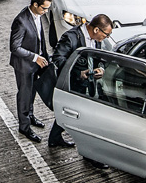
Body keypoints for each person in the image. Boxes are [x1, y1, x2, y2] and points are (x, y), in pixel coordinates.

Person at [46, 14, 113, 151]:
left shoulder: (96, 39)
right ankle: (89, 152)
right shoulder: (70, 37)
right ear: (96, 30)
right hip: (73, 84)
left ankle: (54, 138)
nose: (106, 38)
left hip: (89, 85)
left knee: (70, 112)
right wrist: (78, 73)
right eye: (106, 34)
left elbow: (99, 57)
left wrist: (100, 67)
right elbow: (58, 59)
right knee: (84, 117)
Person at [10, 0, 52, 142]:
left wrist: (44, 57)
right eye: (44, 9)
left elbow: (40, 39)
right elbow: (14, 47)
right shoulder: (21, 21)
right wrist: (35, 57)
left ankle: (31, 116)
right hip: (24, 65)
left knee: (32, 92)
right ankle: (24, 127)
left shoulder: (37, 15)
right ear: (35, 5)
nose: (46, 12)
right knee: (24, 95)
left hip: (37, 63)